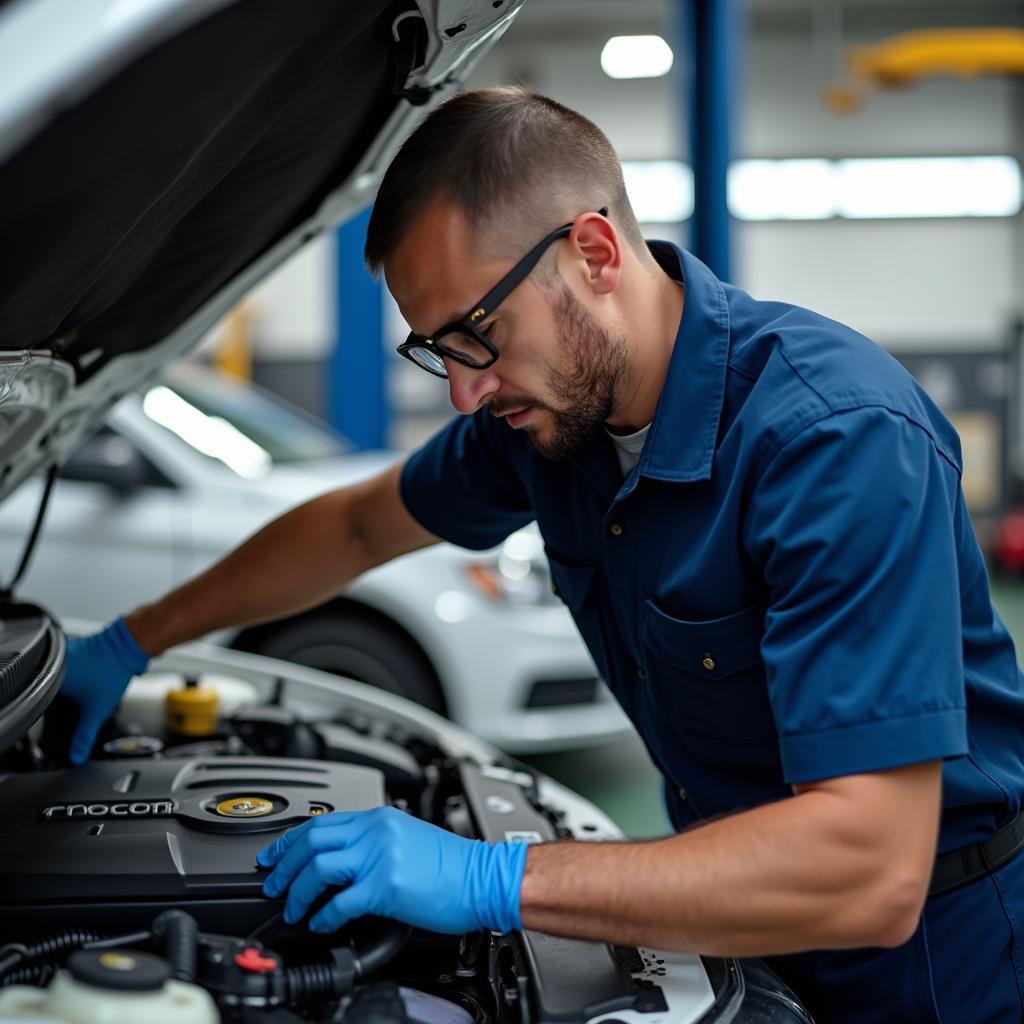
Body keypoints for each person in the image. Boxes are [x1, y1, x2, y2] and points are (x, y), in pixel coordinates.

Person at [61, 87, 1024, 1022]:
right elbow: (355, 526)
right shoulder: (555, 423)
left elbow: (870, 869)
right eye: (437, 351)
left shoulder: (836, 442)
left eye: (476, 334)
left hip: (933, 964)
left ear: (594, 252)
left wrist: (492, 876)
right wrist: (130, 641)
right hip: (735, 925)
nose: (464, 396)